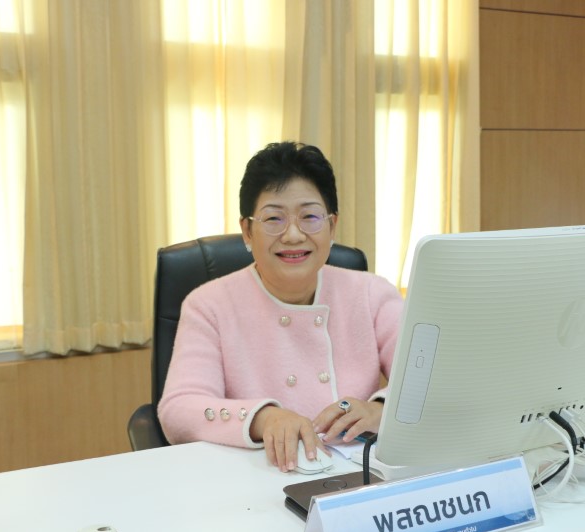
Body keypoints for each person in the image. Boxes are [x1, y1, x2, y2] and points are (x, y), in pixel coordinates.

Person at [158, 141, 404, 473]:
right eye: (274, 218)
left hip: (359, 472)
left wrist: (381, 410)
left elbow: (432, 382)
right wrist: (263, 418)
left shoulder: (372, 293)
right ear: (247, 231)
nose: (293, 235)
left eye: (310, 217)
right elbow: (178, 410)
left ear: (332, 226)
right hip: (255, 475)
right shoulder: (209, 305)